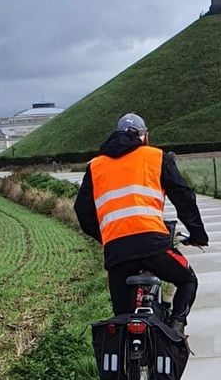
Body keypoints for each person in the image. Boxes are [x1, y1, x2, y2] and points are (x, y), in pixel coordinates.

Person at [74, 113, 209, 336]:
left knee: (121, 318)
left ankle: (124, 360)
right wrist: (198, 235)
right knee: (188, 280)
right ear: (144, 136)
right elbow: (184, 197)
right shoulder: (156, 157)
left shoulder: (95, 166)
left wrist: (108, 237)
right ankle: (176, 326)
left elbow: (82, 211)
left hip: (117, 252)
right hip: (153, 244)